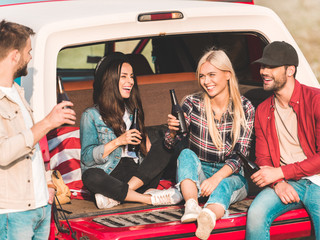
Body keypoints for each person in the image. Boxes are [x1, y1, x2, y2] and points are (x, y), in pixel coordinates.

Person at [0, 20, 76, 239]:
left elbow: (32, 145)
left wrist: (47, 184)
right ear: (15, 55)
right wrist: (47, 122)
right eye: (28, 51)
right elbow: (3, 152)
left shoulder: (16, 92)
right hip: (10, 212)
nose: (30, 57)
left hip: (39, 206)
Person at [165, 49, 255, 239]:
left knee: (225, 185)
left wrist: (215, 179)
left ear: (227, 74)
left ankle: (209, 216)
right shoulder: (192, 103)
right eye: (203, 76)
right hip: (200, 174)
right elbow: (170, 145)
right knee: (186, 155)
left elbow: (240, 155)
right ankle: (191, 205)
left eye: (212, 75)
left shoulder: (245, 108)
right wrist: (172, 131)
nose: (207, 81)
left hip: (230, 174)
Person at [80, 52, 183, 209]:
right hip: (111, 173)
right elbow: (87, 158)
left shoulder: (134, 111)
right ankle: (148, 199)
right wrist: (119, 141)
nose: (130, 81)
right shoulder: (91, 115)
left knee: (163, 147)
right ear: (110, 80)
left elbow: (149, 152)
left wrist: (171, 134)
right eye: (124, 76)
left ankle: (118, 196)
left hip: (138, 176)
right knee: (90, 176)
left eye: (132, 76)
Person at [246, 41, 320, 239]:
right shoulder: (262, 110)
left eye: (271, 66)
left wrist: (280, 172)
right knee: (256, 214)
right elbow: (263, 158)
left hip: (318, 181)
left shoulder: (316, 100)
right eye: (263, 66)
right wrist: (278, 182)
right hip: (286, 181)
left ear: (290, 70)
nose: (263, 71)